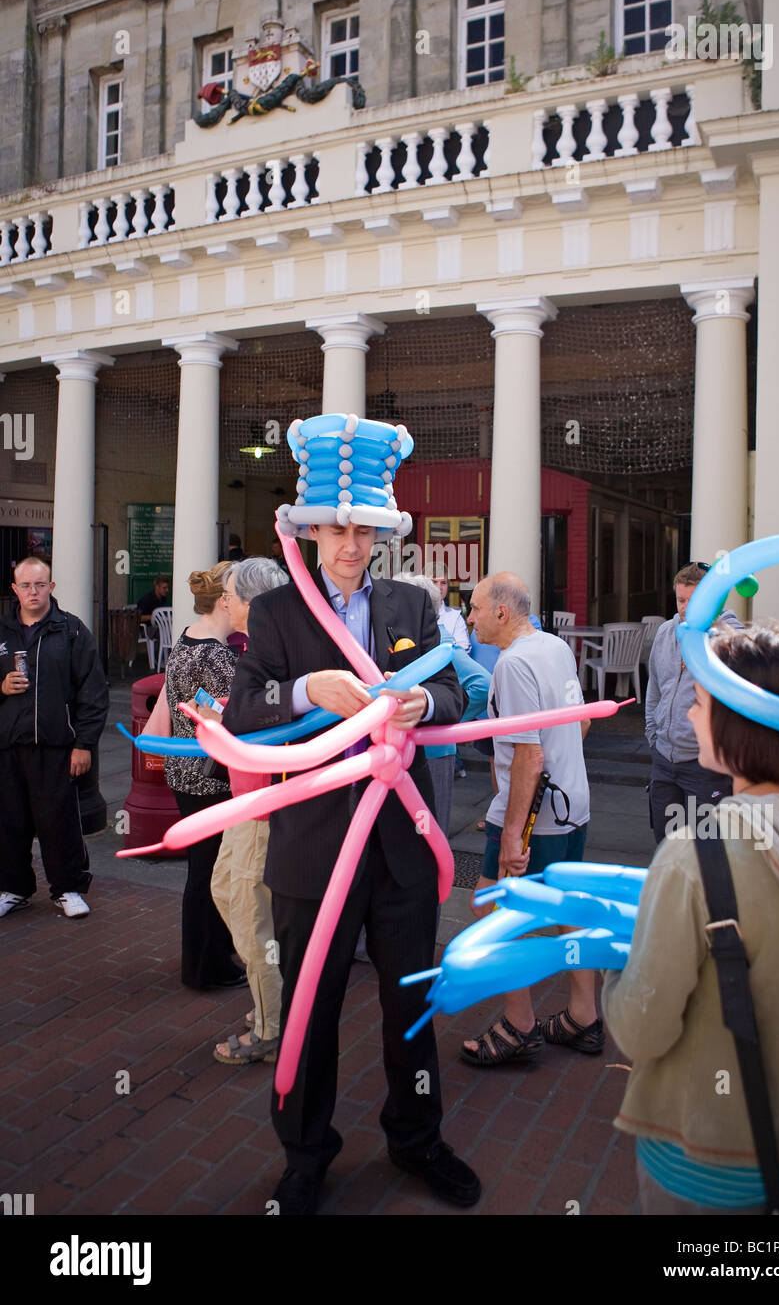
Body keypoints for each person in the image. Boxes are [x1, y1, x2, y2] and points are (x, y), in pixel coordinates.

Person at [223, 449, 481, 1215]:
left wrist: (424, 708)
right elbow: (244, 708)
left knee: (413, 1006)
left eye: (364, 529)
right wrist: (308, 689)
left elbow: (453, 688)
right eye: (337, 528)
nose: (352, 543)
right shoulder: (277, 613)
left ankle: (417, 1136)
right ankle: (306, 1154)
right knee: (313, 1009)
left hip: (402, 845)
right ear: (308, 532)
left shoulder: (411, 603)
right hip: (313, 849)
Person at [604, 623, 779, 1214]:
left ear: (743, 724)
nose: (689, 714)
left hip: (705, 1164)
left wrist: (616, 962)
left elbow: (642, 1029)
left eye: (703, 702)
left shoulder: (696, 854)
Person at [461, 573, 602, 1066]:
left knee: (493, 913)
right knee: (565, 909)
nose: (469, 617)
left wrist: (513, 837)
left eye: (475, 608)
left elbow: (528, 757)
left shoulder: (512, 665)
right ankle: (584, 1015)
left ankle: (519, 1025)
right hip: (573, 804)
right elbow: (580, 721)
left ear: (502, 612)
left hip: (533, 815)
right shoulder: (554, 647)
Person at [209, 557, 289, 1065]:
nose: (226, 602)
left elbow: (270, 712)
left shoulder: (273, 651)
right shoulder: (266, 647)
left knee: (252, 917)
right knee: (227, 894)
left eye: (232, 594)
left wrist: (224, 716)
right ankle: (272, 1000)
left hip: (262, 806)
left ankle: (270, 1028)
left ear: (251, 602)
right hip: (247, 801)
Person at [0, 557, 108, 919]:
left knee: (58, 822)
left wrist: (84, 744)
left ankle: (68, 888)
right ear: (14, 590)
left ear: (51, 587)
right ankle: (13, 888)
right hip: (8, 746)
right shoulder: (2, 631)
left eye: (40, 584)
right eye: (26, 586)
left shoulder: (72, 631)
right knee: (9, 821)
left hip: (56, 746)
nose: (33, 592)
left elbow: (92, 693)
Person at [163, 560, 246, 990]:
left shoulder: (185, 641)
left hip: (183, 772)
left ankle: (203, 960)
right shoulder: (218, 655)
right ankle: (207, 966)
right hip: (213, 778)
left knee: (202, 871)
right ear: (225, 602)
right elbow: (239, 719)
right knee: (213, 875)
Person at [645, 562, 742, 846]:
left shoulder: (727, 637)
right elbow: (655, 689)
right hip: (664, 758)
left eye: (694, 600)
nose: (685, 607)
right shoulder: (665, 632)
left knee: (708, 848)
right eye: (680, 599)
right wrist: (653, 733)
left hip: (705, 766)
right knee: (666, 844)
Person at [393, 572, 491, 837]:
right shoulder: (411, 636)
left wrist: (443, 715)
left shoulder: (440, 640)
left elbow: (482, 684)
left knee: (429, 836)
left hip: (432, 752)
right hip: (411, 750)